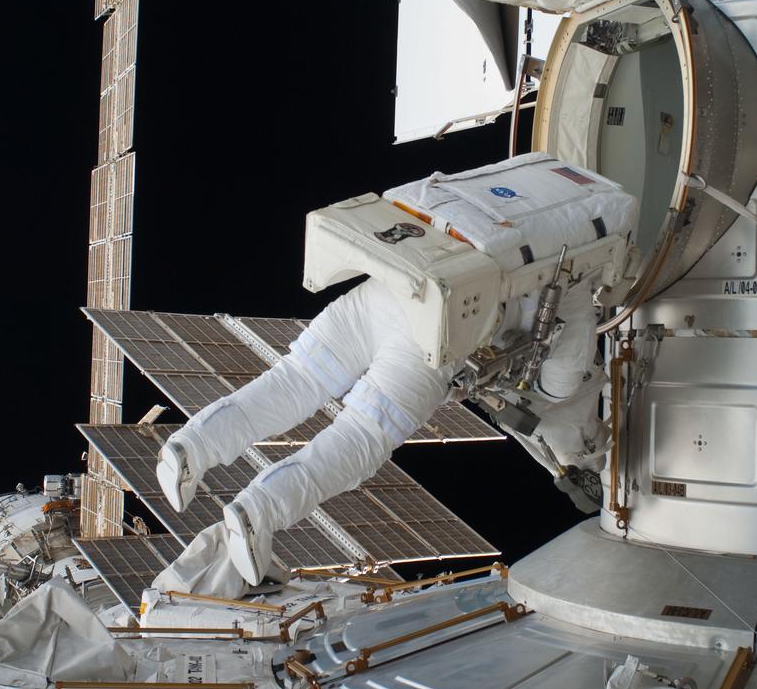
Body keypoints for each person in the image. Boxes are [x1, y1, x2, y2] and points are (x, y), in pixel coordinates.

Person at [157, 154, 636, 584]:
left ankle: (190, 448)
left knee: (293, 380)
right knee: (360, 437)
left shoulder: (538, 183)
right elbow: (562, 382)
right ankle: (258, 512)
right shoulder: (576, 269)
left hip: (383, 286)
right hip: (432, 338)